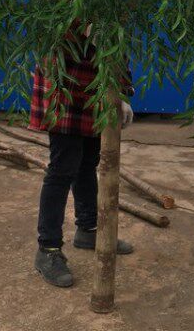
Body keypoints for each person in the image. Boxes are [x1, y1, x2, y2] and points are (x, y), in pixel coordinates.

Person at [29, 20, 135, 288]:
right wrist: (77, 27)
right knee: (62, 169)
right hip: (64, 86)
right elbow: (49, 39)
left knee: (88, 162)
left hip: (94, 89)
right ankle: (48, 249)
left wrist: (121, 93)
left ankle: (87, 230)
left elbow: (116, 48)